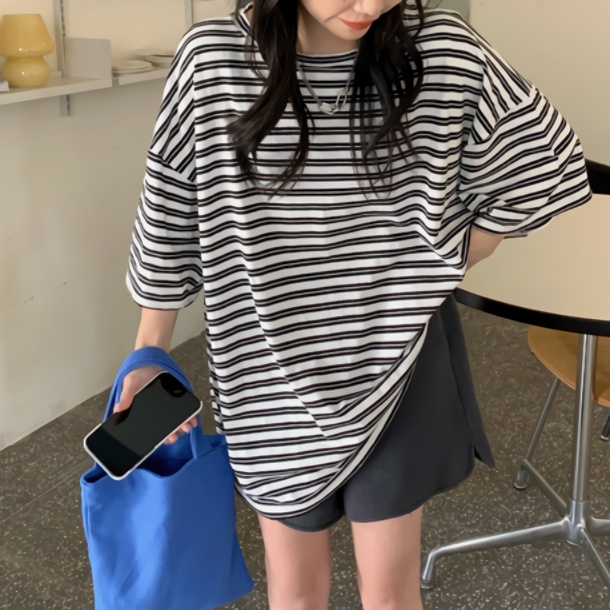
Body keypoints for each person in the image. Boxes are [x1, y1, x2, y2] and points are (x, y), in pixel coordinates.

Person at [114, 1, 592, 608]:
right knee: (295, 590)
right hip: (267, 369)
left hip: (399, 358)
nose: (369, 5)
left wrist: (447, 255)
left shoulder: (441, 49)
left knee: (390, 591)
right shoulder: (214, 61)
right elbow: (169, 213)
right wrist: (149, 351)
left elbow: (544, 164)